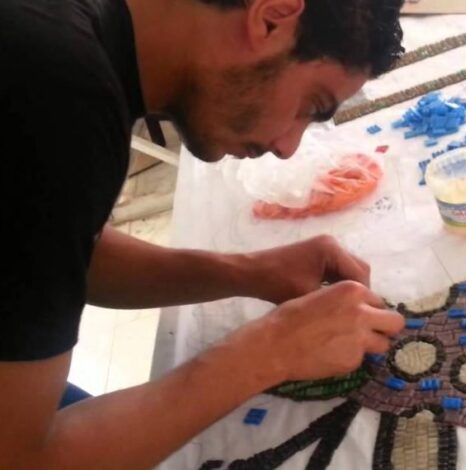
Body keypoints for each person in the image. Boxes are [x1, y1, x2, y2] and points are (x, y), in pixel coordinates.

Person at [0, 0, 405, 467]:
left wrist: (249, 272)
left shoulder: (72, 36)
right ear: (271, 17)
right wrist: (274, 348)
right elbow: (20, 458)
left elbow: (54, 249)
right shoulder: (58, 94)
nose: (287, 146)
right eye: (311, 105)